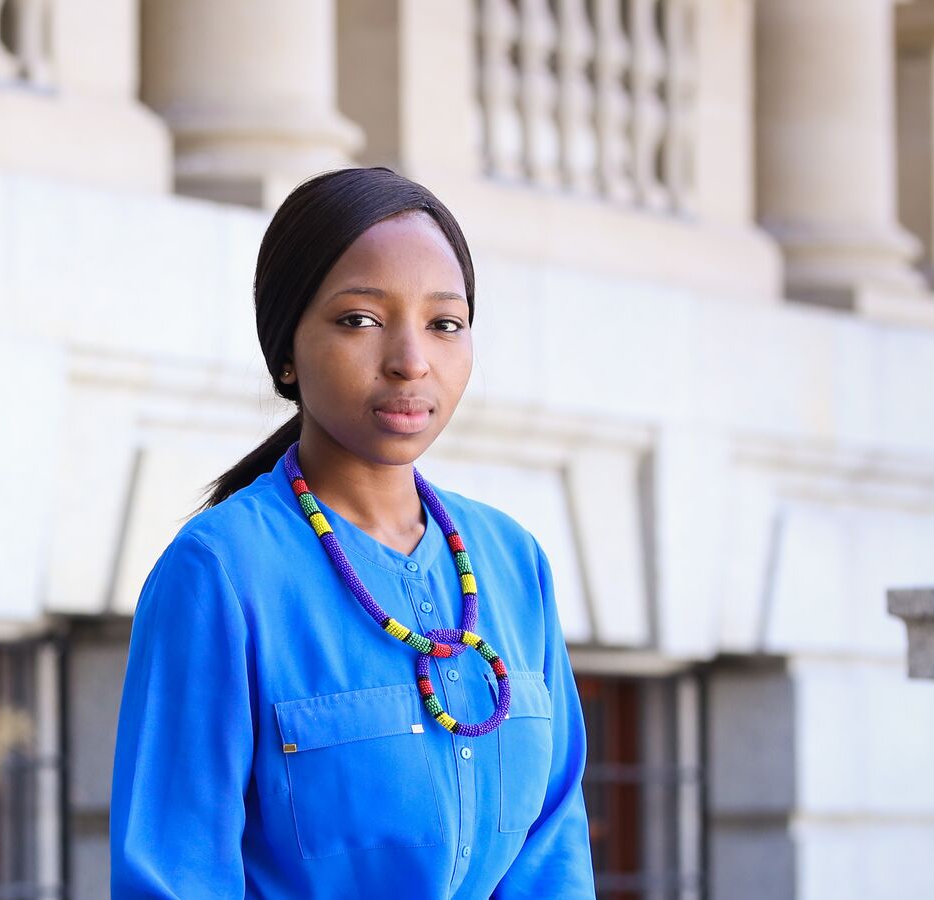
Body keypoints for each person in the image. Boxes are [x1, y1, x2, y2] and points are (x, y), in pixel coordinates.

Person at [109, 167, 595, 898]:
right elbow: (174, 877)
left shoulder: (511, 561)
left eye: (445, 324)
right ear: (286, 351)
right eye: (361, 320)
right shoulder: (220, 573)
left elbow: (553, 854)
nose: (410, 360)